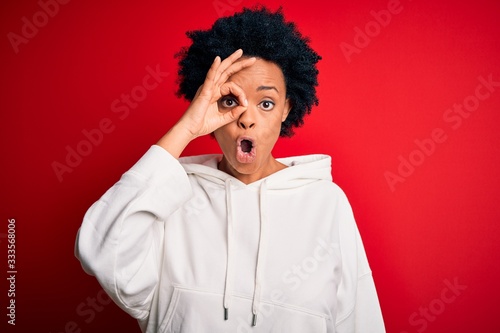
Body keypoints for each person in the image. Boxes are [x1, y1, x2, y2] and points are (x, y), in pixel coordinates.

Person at [75, 6, 385, 333]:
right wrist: (187, 127)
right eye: (229, 101)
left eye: (266, 103)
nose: (246, 118)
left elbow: (360, 320)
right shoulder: (171, 198)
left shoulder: (326, 202)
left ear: (286, 109)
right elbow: (101, 251)